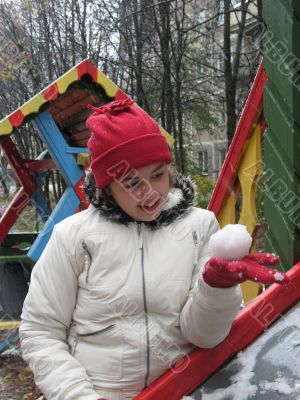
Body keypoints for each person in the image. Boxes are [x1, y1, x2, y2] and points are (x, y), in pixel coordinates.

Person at [19, 99, 287, 400]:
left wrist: (216, 289)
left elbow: (205, 337)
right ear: (107, 185)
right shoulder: (73, 238)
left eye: (157, 175)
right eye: (131, 182)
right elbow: (41, 331)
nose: (149, 192)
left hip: (185, 390)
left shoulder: (200, 227)